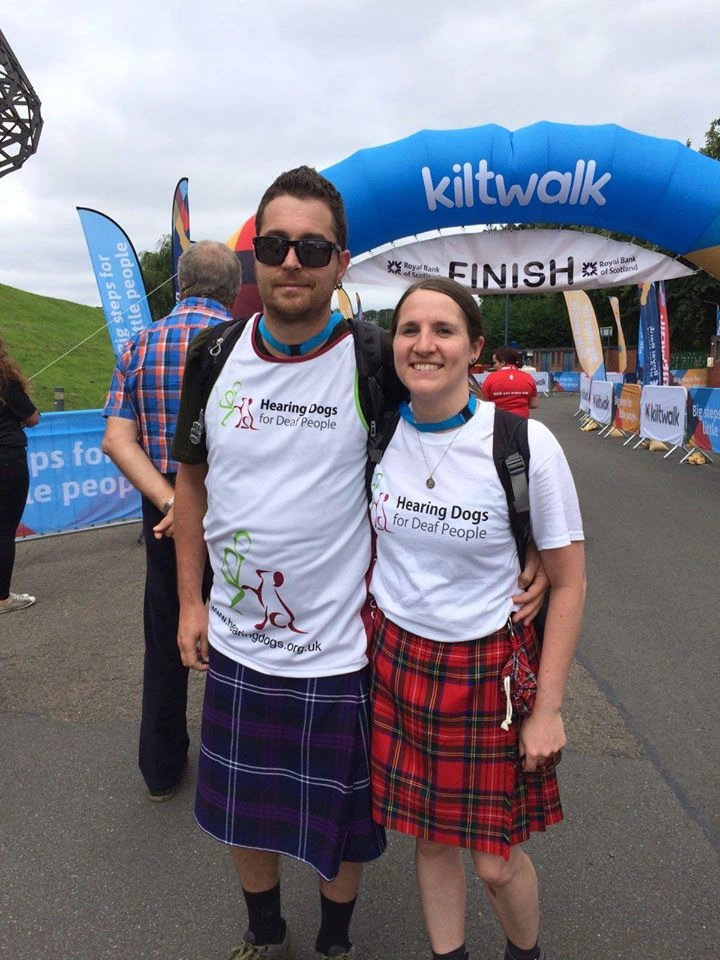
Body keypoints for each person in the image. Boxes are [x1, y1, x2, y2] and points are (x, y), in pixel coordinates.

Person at [172, 168, 548, 960]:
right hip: (238, 638)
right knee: (246, 810)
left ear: (341, 262)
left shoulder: (374, 358)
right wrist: (188, 603)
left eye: (313, 247)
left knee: (337, 818)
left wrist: (530, 555)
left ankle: (336, 940)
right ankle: (263, 928)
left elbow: (447, 447)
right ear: (256, 261)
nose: (292, 262)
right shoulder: (211, 355)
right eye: (275, 245)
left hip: (343, 646)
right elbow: (191, 484)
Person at [368, 278, 586, 960]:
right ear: (392, 343)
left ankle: (526, 954)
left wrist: (548, 708)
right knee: (431, 840)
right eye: (409, 330)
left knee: (494, 862)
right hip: (399, 660)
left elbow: (572, 581)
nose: (424, 344)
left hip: (487, 669)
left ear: (475, 348)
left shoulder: (523, 445)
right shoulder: (374, 433)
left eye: (443, 330)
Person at [102, 240, 242, 802]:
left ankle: (160, 769)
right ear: (233, 291)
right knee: (242, 637)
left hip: (162, 515)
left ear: (180, 285)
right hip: (239, 515)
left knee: (165, 637)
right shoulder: (245, 345)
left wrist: (169, 504)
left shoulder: (138, 344)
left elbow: (118, 439)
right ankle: (234, 764)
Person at [0, 336, 40, 613]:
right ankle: (3, 597)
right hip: (7, 456)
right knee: (4, 528)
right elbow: (33, 418)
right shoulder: (6, 384)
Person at [482, 345, 538, 418]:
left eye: (495, 363)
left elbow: (483, 403)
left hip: (498, 422)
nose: (494, 366)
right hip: (521, 423)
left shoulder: (491, 378)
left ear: (503, 362)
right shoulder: (528, 378)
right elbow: (534, 404)